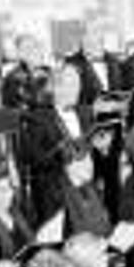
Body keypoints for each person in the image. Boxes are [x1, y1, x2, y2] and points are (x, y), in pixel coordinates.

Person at [21, 65, 94, 225]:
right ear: (56, 88)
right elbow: (33, 160)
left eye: (77, 84)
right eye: (69, 84)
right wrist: (63, 159)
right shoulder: (38, 118)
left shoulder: (86, 113)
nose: (75, 90)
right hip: (57, 187)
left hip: (88, 183)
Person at [60, 141, 113, 238]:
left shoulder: (91, 184)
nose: (89, 166)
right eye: (81, 161)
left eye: (89, 160)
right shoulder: (71, 193)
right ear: (68, 168)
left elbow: (103, 213)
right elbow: (76, 224)